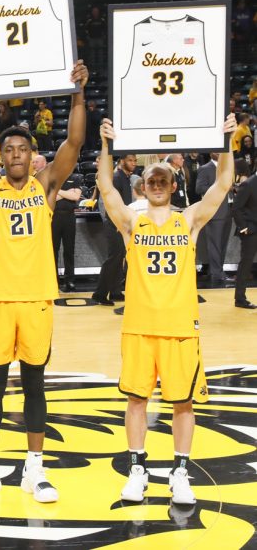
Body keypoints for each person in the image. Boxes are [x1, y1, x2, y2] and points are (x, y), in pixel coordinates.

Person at [0, 58, 89, 504]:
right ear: (0, 157)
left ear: (32, 157)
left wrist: (77, 93)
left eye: (21, 150)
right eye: (8, 150)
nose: (14, 155)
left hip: (36, 300)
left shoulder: (46, 185)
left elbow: (74, 140)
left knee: (35, 384)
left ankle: (35, 470)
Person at [98, 115, 236, 506]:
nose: (156, 185)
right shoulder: (131, 222)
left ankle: (179, 472)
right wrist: (107, 145)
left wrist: (226, 140)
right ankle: (138, 469)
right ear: (143, 187)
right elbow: (106, 186)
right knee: (136, 400)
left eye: (163, 180)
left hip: (180, 327)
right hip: (140, 327)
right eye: (150, 181)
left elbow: (224, 183)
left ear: (174, 185)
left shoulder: (188, 219)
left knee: (183, 402)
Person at [92, 153, 137, 305]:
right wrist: (118, 223)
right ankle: (99, 294)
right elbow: (110, 203)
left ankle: (115, 292)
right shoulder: (117, 178)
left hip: (122, 223)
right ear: (122, 161)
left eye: (135, 160)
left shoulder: (126, 178)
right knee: (114, 258)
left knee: (120, 258)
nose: (134, 163)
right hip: (115, 223)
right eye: (130, 160)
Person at [196, 153, 234, 286]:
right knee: (215, 245)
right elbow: (199, 188)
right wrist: (219, 189)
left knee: (223, 245)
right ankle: (216, 273)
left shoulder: (228, 168)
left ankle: (219, 271)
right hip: (214, 212)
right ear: (212, 153)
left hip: (228, 210)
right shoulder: (205, 168)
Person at [53, 172, 82, 291]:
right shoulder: (53, 178)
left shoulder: (75, 178)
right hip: (54, 217)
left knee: (69, 250)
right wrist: (68, 193)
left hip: (69, 217)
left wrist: (58, 191)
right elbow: (50, 197)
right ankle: (53, 280)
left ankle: (70, 280)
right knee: (53, 250)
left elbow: (76, 197)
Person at [232, 168, 257, 308]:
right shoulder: (248, 184)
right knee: (245, 265)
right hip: (251, 231)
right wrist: (244, 227)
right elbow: (236, 208)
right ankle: (240, 299)